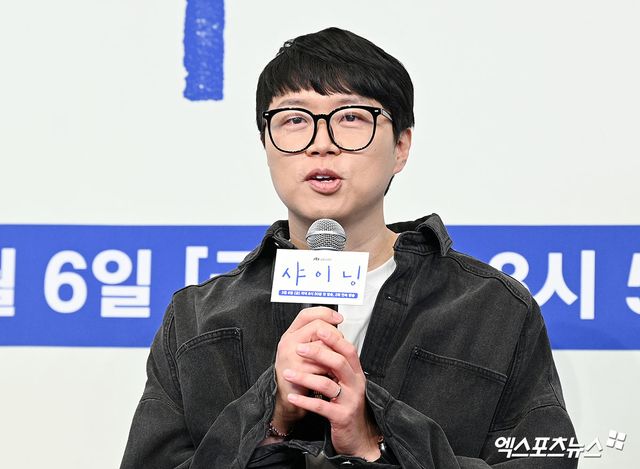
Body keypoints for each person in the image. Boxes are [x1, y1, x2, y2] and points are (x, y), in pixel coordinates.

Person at [120, 27, 577, 468]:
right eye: (295, 120)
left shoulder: (493, 310)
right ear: (265, 144)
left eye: (351, 118)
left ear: (401, 146)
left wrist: (374, 443)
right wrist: (269, 417)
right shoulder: (197, 318)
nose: (321, 144)